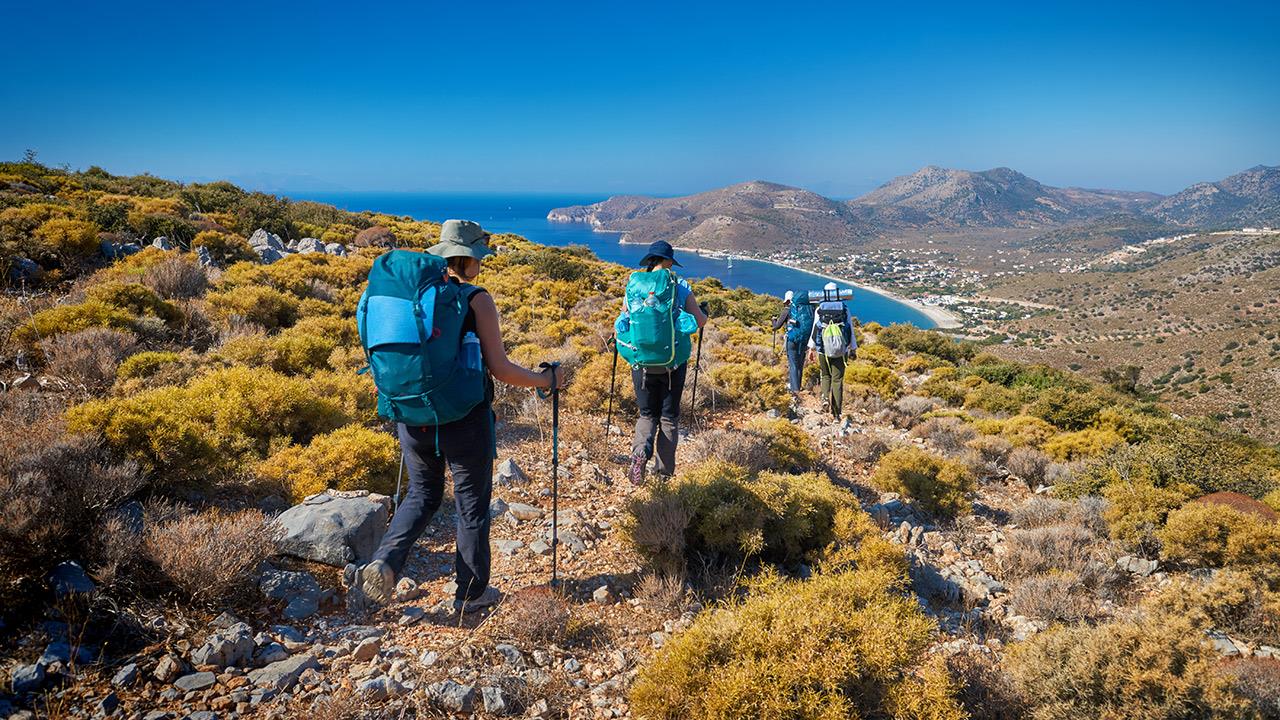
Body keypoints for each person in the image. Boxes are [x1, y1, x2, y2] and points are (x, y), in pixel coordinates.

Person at [353, 219, 566, 614]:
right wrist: (545, 379)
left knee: (422, 495)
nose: (480, 266)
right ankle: (470, 594)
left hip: (412, 415)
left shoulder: (411, 299)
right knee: (471, 505)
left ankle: (384, 561)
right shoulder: (474, 298)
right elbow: (500, 368)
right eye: (478, 259)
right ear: (467, 260)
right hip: (465, 420)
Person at [625, 240, 707, 485]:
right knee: (668, 418)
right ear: (669, 261)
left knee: (647, 414)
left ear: (650, 260)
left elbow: (626, 319)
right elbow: (699, 321)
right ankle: (663, 476)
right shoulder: (679, 285)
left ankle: (640, 453)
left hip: (641, 362)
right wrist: (705, 312)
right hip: (673, 363)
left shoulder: (635, 285)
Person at [808, 282, 855, 418]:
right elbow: (850, 329)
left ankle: (824, 399)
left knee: (825, 375)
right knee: (837, 380)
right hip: (841, 350)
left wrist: (811, 348)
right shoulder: (844, 309)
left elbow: (815, 328)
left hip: (823, 349)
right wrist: (852, 348)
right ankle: (836, 414)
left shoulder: (820, 309)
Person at [771, 290, 805, 394]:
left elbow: (776, 327)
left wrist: (773, 320)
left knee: (793, 364)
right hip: (803, 339)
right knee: (800, 363)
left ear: (787, 301)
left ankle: (794, 390)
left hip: (791, 340)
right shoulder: (802, 310)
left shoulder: (787, 310)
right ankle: (798, 385)